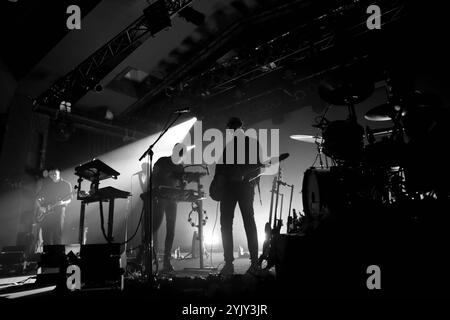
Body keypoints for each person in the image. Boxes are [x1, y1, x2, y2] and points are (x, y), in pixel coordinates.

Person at [214, 117, 263, 275]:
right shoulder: (229, 146)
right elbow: (220, 168)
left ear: (240, 128)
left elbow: (258, 168)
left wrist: (245, 178)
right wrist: (217, 184)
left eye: (233, 128)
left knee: (246, 222)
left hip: (244, 188)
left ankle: (253, 262)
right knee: (227, 224)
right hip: (230, 188)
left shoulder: (252, 143)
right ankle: (230, 262)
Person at [139, 144, 186, 272]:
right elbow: (153, 178)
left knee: (171, 230)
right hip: (159, 198)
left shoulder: (180, 166)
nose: (180, 156)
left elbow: (182, 184)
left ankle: (166, 261)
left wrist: (184, 183)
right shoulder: (162, 161)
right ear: (173, 152)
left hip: (172, 200)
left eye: (181, 154)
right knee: (153, 228)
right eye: (179, 153)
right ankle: (142, 258)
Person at [36, 168, 72, 246]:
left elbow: (69, 199)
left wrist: (63, 202)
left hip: (59, 211)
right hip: (46, 212)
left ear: (59, 173)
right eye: (51, 174)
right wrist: (40, 207)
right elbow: (37, 198)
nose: (53, 176)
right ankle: (46, 255)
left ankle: (57, 255)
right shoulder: (47, 186)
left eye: (55, 174)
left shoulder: (66, 184)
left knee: (57, 235)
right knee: (46, 235)